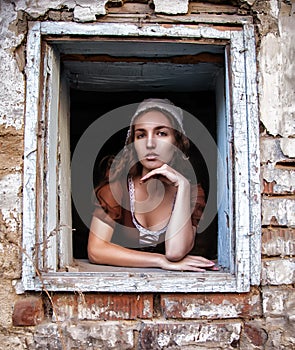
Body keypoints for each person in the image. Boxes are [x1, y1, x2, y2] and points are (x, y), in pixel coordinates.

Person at [88, 98, 218, 271]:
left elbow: (175, 252)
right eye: (141, 135)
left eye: (161, 133)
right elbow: (96, 250)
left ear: (177, 142)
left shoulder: (192, 193)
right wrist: (159, 261)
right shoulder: (118, 188)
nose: (150, 144)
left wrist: (183, 186)